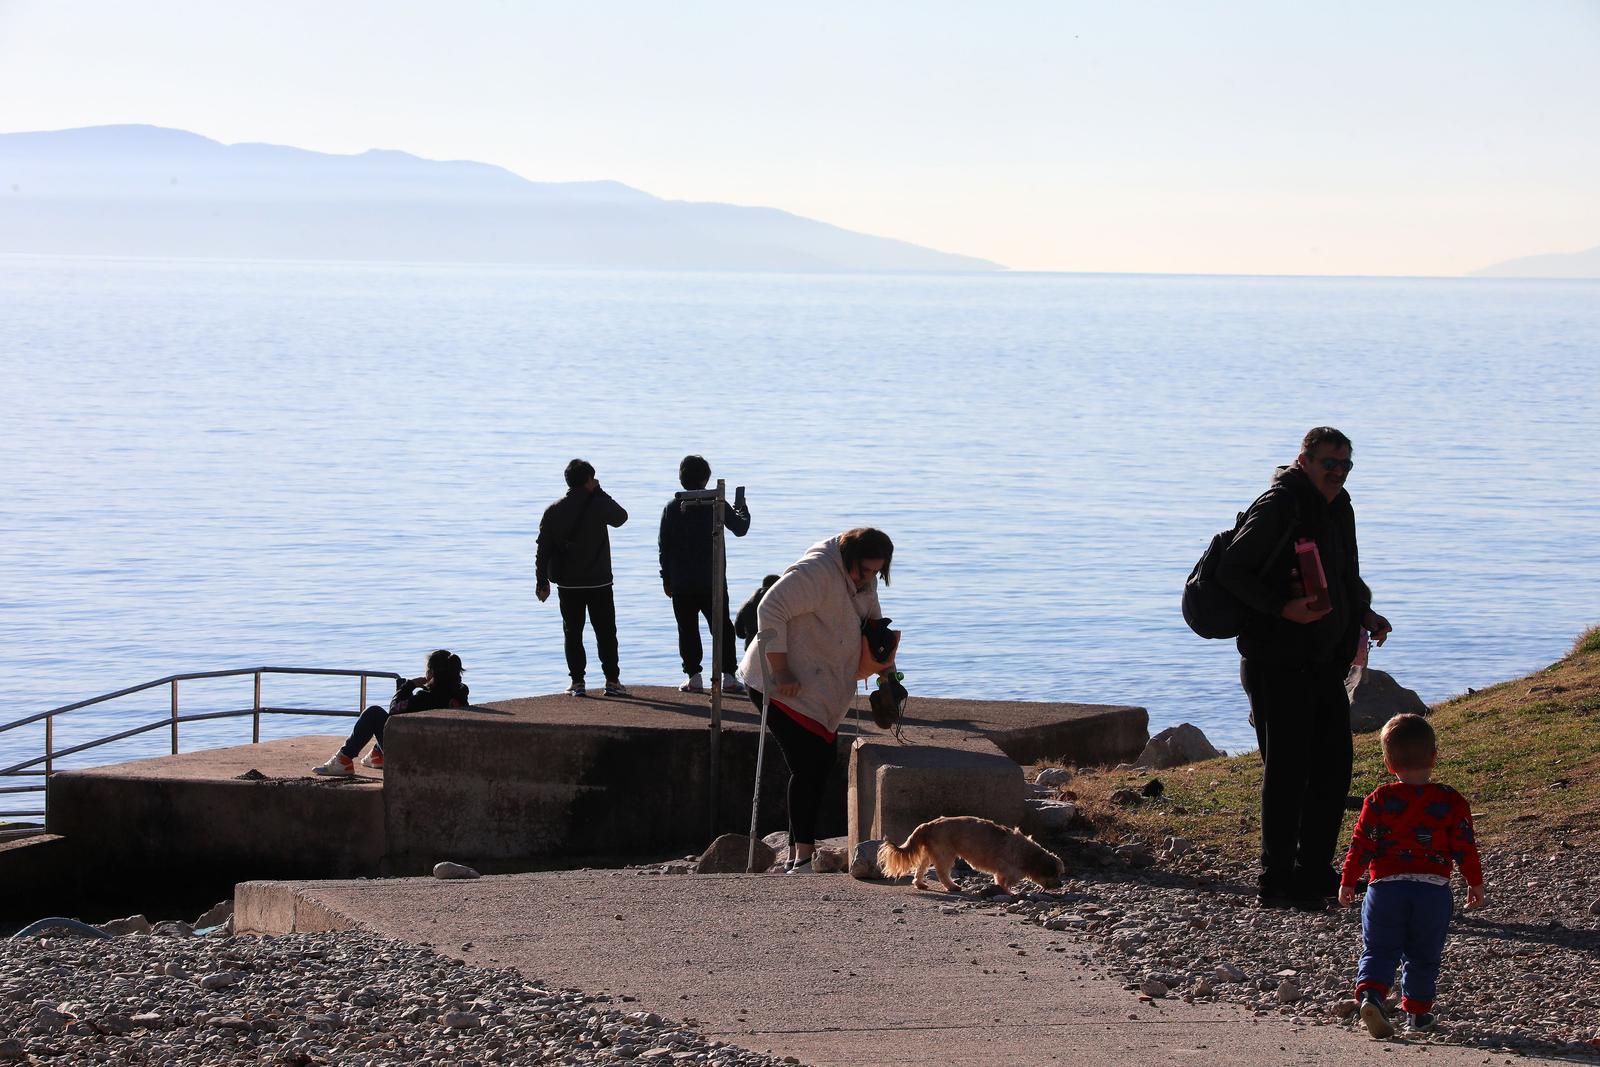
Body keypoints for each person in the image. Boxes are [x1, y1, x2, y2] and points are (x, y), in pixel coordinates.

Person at [1217, 426, 1392, 909]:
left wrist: (1365, 613)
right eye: (1328, 464)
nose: (1337, 473)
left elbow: (1344, 575)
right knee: (1288, 772)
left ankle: (1314, 871)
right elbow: (1231, 570)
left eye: (1345, 465)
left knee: (1333, 769)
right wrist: (1281, 608)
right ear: (1304, 460)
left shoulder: (1340, 508)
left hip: (1323, 662)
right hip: (1276, 660)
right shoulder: (1279, 505)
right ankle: (1275, 879)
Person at [740, 527, 895, 873]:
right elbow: (770, 608)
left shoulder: (862, 581)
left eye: (876, 572)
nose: (869, 579)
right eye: (865, 570)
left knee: (819, 765)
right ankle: (804, 857)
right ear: (849, 558)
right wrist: (781, 670)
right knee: (808, 766)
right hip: (779, 687)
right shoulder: (817, 571)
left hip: (819, 689)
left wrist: (889, 678)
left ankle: (799, 855)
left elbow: (874, 628)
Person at [1339, 713, 1484, 1038]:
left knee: (1379, 948)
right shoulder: (1450, 800)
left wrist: (1348, 879)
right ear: (1434, 756)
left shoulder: (1379, 799)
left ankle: (1372, 995)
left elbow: (1361, 843)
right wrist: (1474, 882)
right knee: (1423, 953)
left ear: (1389, 763)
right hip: (1432, 891)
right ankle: (1417, 1013)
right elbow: (1464, 845)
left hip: (1386, 889)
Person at [536, 459, 629, 698]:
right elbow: (621, 517)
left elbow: (542, 549)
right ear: (589, 480)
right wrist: (600, 491)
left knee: (572, 632)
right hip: (599, 582)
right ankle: (612, 681)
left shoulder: (553, 510)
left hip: (568, 584)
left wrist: (541, 581)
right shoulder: (599, 504)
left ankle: (577, 682)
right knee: (606, 632)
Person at [658, 455, 752, 694]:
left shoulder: (672, 506)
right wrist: (742, 509)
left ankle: (694, 676)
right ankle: (729, 676)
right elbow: (740, 529)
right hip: (713, 579)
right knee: (722, 627)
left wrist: (666, 578)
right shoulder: (716, 503)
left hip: (681, 581)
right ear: (705, 479)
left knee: (687, 628)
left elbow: (664, 546)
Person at [312, 650, 468, 775]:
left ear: (431, 674)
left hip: (413, 756)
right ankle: (377, 755)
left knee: (374, 714)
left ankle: (343, 761)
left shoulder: (424, 698)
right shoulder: (460, 694)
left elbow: (393, 713)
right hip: (441, 753)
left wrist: (408, 686)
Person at [734, 574, 780, 650]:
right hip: (775, 649)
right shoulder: (779, 603)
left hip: (751, 649)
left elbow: (740, 634)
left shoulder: (746, 606)